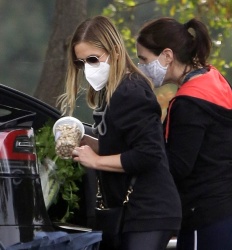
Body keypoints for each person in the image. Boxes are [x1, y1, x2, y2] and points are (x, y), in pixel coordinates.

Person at [57, 15, 182, 250]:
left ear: (114, 52)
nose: (87, 69)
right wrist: (86, 143)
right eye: (81, 63)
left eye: (93, 59)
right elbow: (124, 145)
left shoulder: (130, 91)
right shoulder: (109, 92)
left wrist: (96, 160)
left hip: (149, 209)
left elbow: (149, 153)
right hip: (131, 211)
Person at [136, 17, 232, 250]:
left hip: (204, 216)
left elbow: (177, 167)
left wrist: (134, 156)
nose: (141, 68)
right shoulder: (213, 78)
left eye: (144, 59)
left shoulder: (188, 104)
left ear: (167, 56)